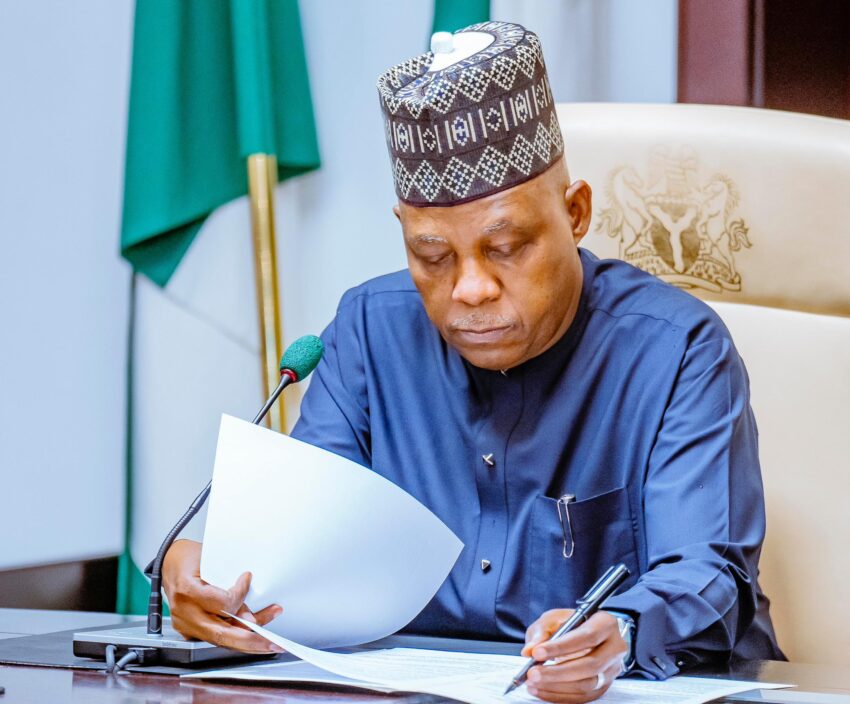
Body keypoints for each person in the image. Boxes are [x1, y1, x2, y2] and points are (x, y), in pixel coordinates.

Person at [162, 21, 783, 703]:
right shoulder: (368, 331)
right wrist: (204, 575)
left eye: (506, 248)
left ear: (576, 214)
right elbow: (300, 549)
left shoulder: (675, 349)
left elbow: (708, 573)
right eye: (433, 257)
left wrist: (622, 631)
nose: (470, 289)